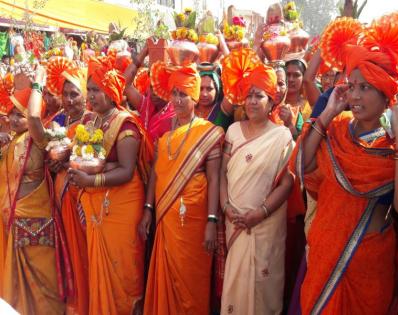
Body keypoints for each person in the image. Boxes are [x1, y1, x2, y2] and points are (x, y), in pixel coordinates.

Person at [291, 14, 398, 314]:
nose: (356, 96)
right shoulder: (337, 127)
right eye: (352, 85)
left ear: (385, 92)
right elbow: (302, 165)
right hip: (325, 251)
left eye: (366, 88)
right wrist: (327, 114)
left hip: (368, 263)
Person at [68, 54, 152, 315]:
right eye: (89, 90)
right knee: (99, 270)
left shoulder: (125, 124)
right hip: (96, 205)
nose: (91, 96)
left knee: (123, 269)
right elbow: (82, 156)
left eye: (97, 90)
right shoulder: (90, 121)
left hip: (122, 206)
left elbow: (127, 171)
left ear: (111, 92)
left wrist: (91, 179)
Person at [140, 62, 224, 315]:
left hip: (196, 221)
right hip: (166, 217)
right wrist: (147, 209)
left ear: (195, 98)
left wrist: (212, 220)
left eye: (183, 95)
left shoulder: (208, 132)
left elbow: (214, 179)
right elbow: (156, 173)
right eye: (174, 93)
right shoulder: (165, 133)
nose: (177, 100)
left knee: (191, 282)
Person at [219, 52, 295, 315]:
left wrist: (259, 213)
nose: (252, 101)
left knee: (264, 287)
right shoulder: (232, 131)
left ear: (271, 100)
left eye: (259, 95)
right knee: (235, 288)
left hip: (265, 225)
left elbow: (287, 184)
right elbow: (222, 175)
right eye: (249, 95)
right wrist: (226, 207)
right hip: (234, 220)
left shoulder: (282, 136)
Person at [0, 84, 71, 314]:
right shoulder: (11, 143)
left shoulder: (39, 137)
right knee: (19, 292)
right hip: (13, 220)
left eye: (18, 114)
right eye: (9, 113)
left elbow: (33, 118)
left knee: (45, 284)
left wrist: (38, 82)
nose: (12, 119)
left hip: (37, 220)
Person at [45, 56, 90, 315]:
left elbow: (97, 159)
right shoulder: (58, 122)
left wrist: (69, 163)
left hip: (83, 198)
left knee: (84, 253)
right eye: (65, 94)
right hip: (61, 198)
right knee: (68, 253)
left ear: (85, 95)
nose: (69, 100)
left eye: (75, 94)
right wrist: (53, 167)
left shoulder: (92, 122)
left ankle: (87, 302)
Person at [124, 45, 175, 142]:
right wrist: (143, 52)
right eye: (152, 87)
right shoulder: (147, 105)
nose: (154, 92)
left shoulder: (175, 114)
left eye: (159, 87)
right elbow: (125, 84)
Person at [284, 59, 312, 133]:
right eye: (288, 74)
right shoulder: (275, 104)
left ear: (303, 78)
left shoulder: (308, 107)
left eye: (296, 75)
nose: (291, 79)